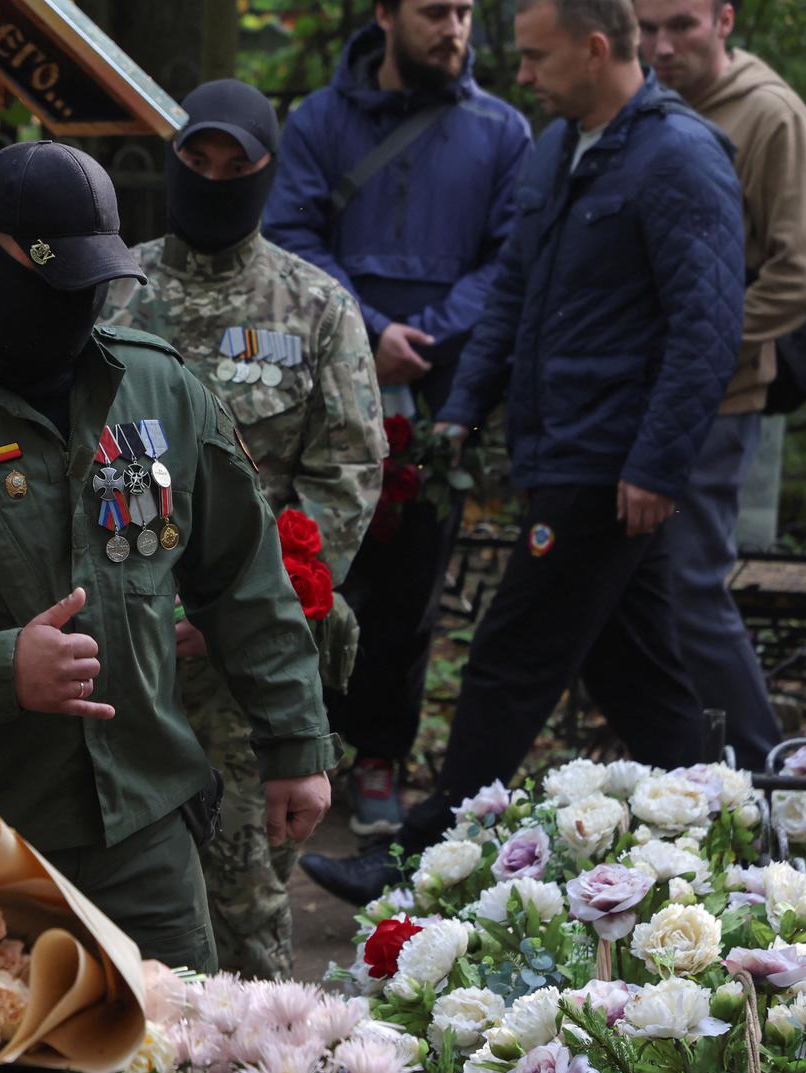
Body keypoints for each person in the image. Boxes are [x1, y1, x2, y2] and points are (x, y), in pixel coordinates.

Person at [0, 140, 337, 972]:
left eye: (91, 280)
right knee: (7, 1059)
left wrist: (295, 744)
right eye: (52, 279)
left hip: (144, 829)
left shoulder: (158, 392)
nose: (74, 304)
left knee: (173, 1056)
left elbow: (242, 578)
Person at [300, 0, 747, 904]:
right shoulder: (557, 146)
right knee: (641, 677)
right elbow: (512, 296)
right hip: (560, 450)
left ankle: (420, 862)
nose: (523, 75)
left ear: (593, 49)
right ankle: (738, 853)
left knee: (508, 655)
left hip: (607, 464)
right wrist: (460, 413)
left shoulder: (678, 156)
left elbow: (706, 328)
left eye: (539, 57)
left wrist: (657, 464)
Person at [102, 79, 386, 979]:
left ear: (267, 173)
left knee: (245, 885)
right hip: (115, 642)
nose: (214, 177)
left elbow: (347, 469)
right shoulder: (109, 288)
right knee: (114, 880)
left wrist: (246, 604)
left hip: (248, 665)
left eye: (238, 165)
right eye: (197, 158)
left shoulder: (315, 308)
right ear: (173, 156)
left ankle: (256, 1048)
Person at [263, 0, 532, 834]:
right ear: (383, 15)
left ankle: (378, 757)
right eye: (431, 10)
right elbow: (289, 230)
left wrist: (429, 334)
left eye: (462, 10)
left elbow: (511, 255)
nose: (451, 26)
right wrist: (366, 333)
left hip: (447, 397)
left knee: (413, 588)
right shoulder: (315, 122)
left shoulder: (502, 131)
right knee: (310, 565)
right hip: (323, 387)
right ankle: (296, 750)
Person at [634, 0, 806, 768]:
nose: (660, 45)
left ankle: (779, 772)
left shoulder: (769, 116)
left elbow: (798, 275)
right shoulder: (644, 101)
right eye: (646, 29)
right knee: (635, 587)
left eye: (680, 24)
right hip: (642, 390)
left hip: (722, 391)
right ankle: (683, 768)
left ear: (724, 18)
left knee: (689, 581)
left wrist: (697, 340)